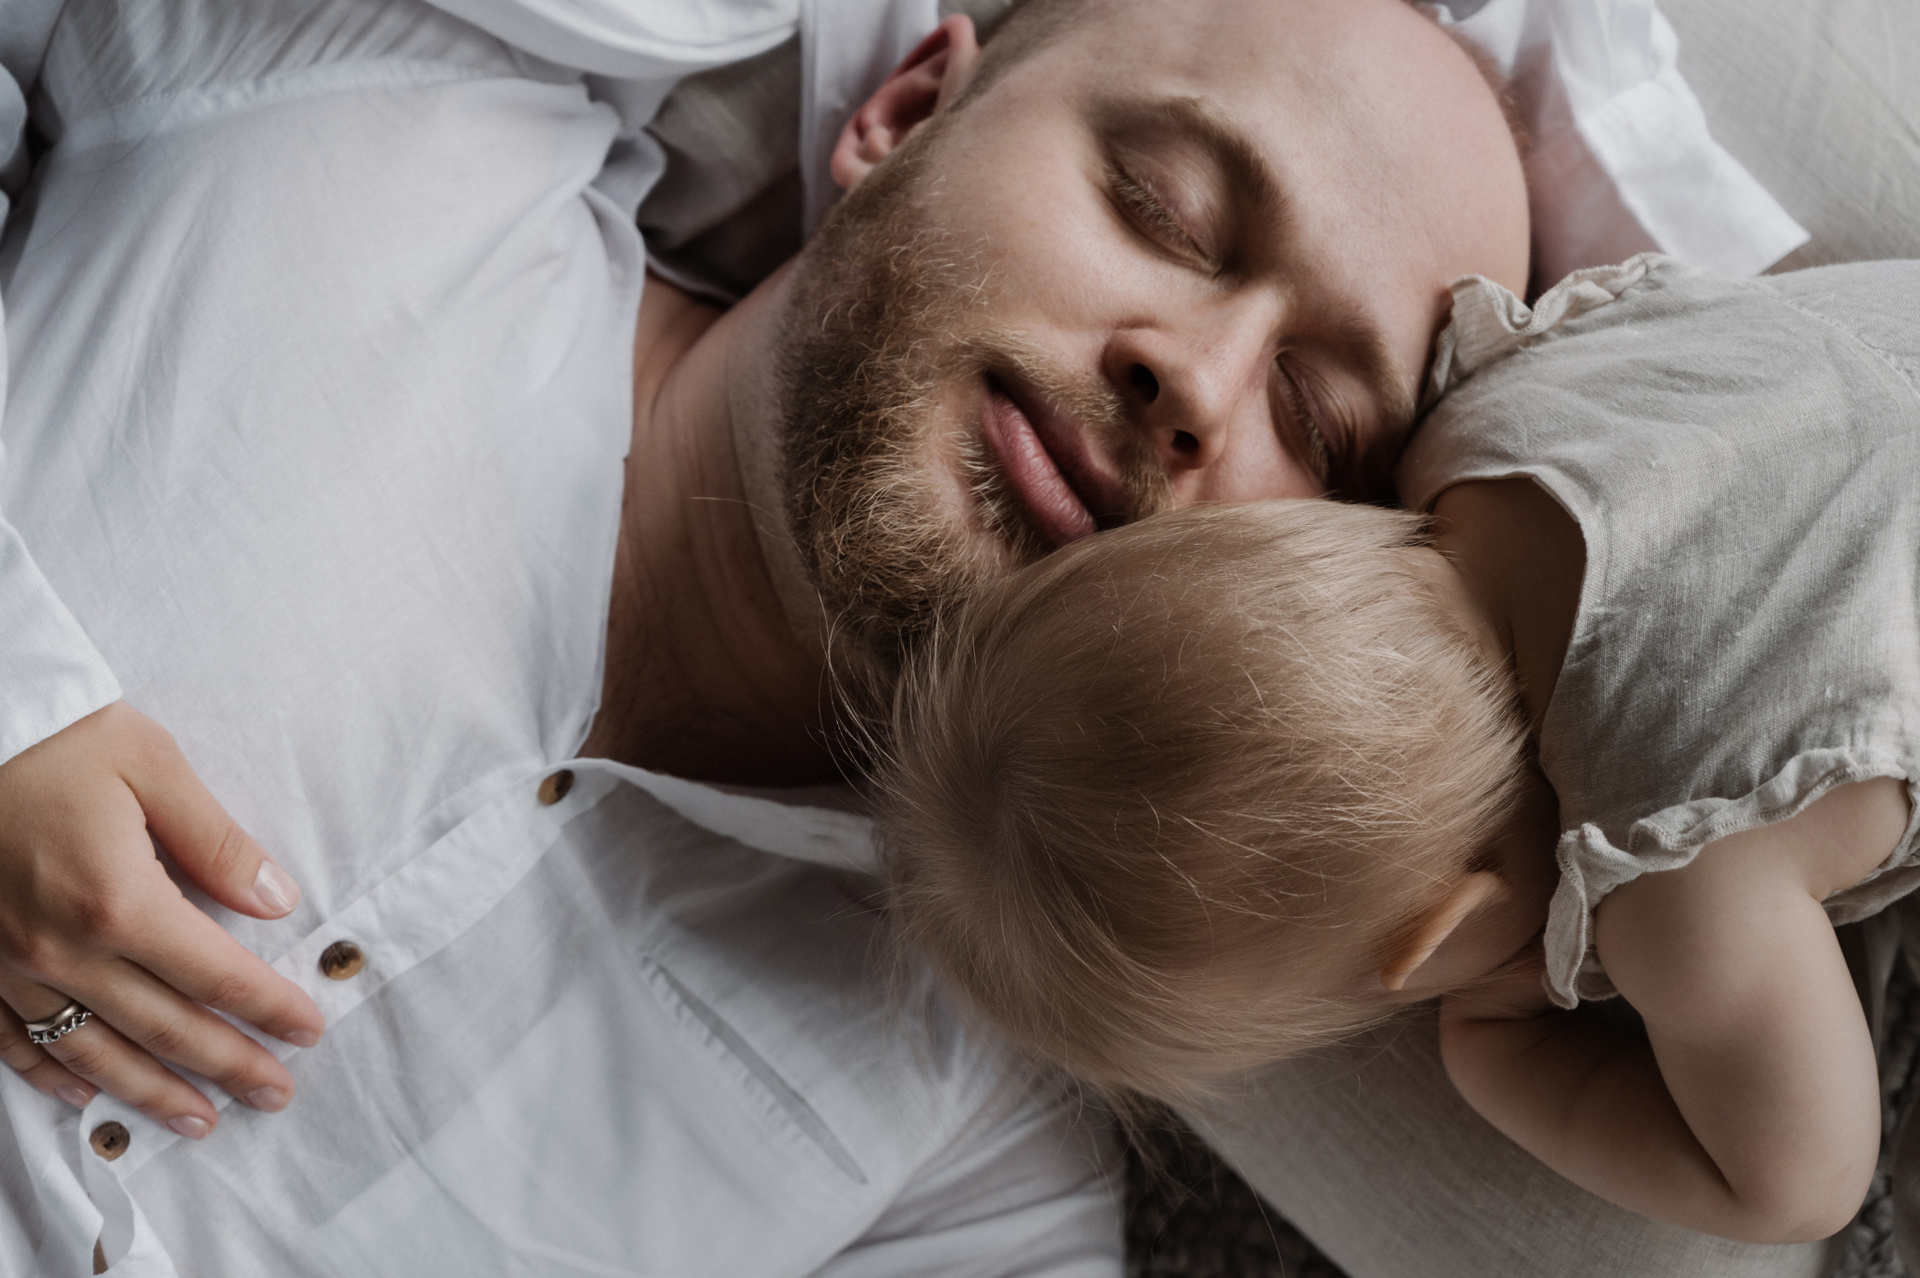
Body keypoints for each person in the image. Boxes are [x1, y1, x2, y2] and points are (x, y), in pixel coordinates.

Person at [0, 0, 1534, 1271]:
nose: (1197, 379)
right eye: (1159, 206)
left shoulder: (968, 1167)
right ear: (907, 112)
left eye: (1315, 419)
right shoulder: (350, 95)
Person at [875, 253, 1920, 1251]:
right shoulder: (1486, 416)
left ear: (1440, 932)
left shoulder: (1676, 881)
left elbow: (1799, 1187)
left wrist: (1501, 1056)